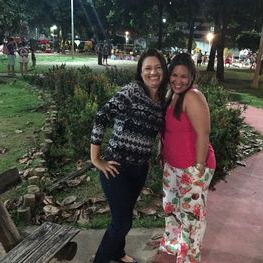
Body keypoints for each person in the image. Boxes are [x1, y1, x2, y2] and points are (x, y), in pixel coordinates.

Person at [90, 48, 169, 263]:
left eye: (158, 68)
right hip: (117, 168)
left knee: (124, 215)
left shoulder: (162, 99)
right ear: (140, 72)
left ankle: (117, 253)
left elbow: (157, 129)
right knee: (122, 222)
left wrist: (155, 152)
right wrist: (96, 159)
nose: (154, 72)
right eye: (148, 68)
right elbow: (100, 118)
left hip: (139, 169)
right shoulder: (131, 91)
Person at [158, 53, 216, 263]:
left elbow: (203, 133)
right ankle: (173, 244)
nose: (178, 80)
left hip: (193, 166)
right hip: (172, 165)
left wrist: (198, 169)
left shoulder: (193, 96)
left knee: (191, 217)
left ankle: (189, 257)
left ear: (192, 76)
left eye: (184, 76)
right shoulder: (170, 94)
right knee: (171, 208)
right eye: (174, 75)